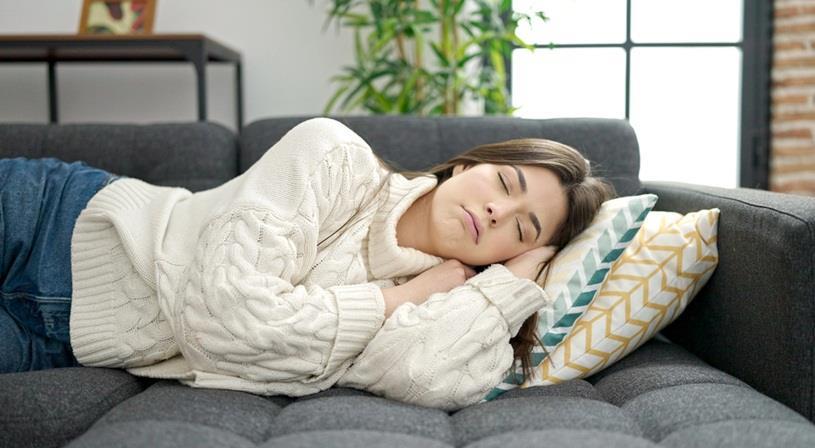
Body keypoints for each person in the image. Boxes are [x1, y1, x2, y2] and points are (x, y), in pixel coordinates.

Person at [0, 117, 615, 410]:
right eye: (504, 183)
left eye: (522, 230)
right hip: (50, 220)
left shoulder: (448, 304)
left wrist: (509, 284)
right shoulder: (333, 156)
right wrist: (395, 301)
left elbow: (421, 377)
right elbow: (223, 316)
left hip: (69, 344)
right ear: (466, 164)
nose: (497, 212)